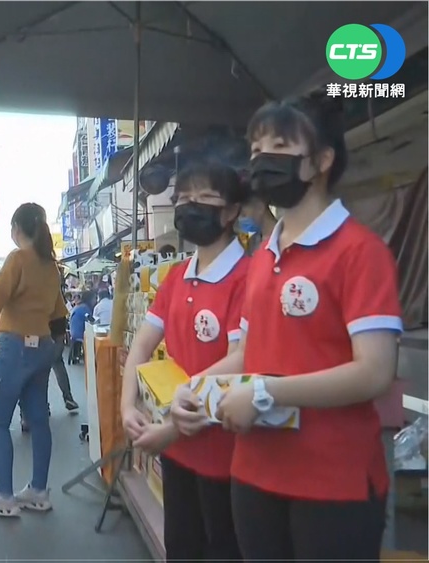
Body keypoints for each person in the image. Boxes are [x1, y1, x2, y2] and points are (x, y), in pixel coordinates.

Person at [171, 93, 402, 561]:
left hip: (333, 482)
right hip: (255, 474)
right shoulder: (264, 257)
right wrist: (194, 387)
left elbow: (375, 372)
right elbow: (248, 353)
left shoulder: (360, 252)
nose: (260, 159)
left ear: (320, 160)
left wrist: (269, 394)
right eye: (256, 148)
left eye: (278, 145)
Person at [119, 161, 250, 561]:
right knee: (182, 549)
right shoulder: (175, 277)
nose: (190, 206)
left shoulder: (246, 277)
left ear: (231, 211)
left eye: (204, 198)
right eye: (183, 198)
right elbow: (141, 346)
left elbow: (241, 362)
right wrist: (127, 405)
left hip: (225, 456)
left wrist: (172, 428)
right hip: (177, 457)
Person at [0, 203, 68, 517]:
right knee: (38, 419)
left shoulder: (18, 258)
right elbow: (57, 312)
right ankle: (38, 490)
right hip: (42, 347)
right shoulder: (51, 266)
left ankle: (4, 496)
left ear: (17, 228)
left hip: (15, 347)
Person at [68, 291, 93, 364]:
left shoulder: (76, 308)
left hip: (73, 332)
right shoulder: (85, 308)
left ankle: (76, 356)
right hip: (80, 334)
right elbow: (90, 320)